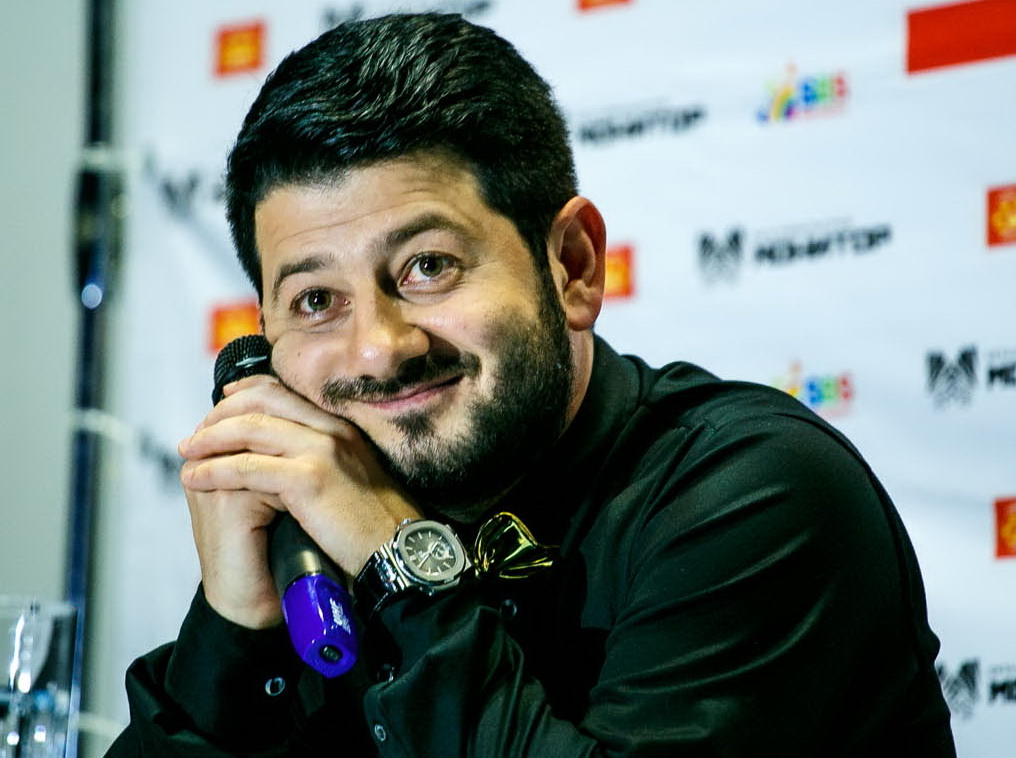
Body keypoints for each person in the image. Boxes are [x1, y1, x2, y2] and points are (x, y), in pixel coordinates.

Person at [105, 12, 955, 757]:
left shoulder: (759, 491)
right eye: (316, 301)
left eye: (428, 266)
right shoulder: (312, 554)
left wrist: (402, 565)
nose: (377, 350)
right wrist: (233, 628)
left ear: (573, 266)